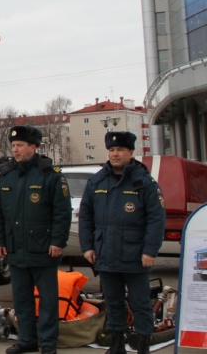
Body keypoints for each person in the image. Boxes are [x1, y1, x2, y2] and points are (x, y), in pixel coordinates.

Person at [79, 132, 165, 354]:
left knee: (140, 303)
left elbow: (156, 219)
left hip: (136, 255)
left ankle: (143, 344)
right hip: (106, 254)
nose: (115, 154)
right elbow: (86, 216)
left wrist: (150, 250)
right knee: (114, 302)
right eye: (111, 150)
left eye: (120, 150)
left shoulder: (143, 182)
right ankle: (117, 344)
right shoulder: (97, 181)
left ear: (131, 153)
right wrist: (87, 246)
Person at [0, 126, 72, 354]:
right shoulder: (5, 176)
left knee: (47, 300)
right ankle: (27, 340)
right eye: (13, 146)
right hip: (15, 249)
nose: (15, 150)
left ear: (34, 147)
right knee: (22, 299)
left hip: (44, 249)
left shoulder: (50, 175)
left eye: (20, 146)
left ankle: (48, 343)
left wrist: (58, 241)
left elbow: (62, 212)